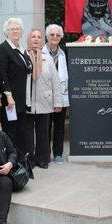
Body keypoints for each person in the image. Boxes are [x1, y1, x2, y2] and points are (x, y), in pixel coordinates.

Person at [0, 18, 35, 163]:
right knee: (11, 132)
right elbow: (3, 74)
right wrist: (9, 96)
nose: (15, 31)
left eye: (18, 28)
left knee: (21, 132)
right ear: (6, 32)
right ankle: (11, 163)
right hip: (11, 101)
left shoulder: (21, 49)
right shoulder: (2, 49)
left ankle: (21, 162)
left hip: (23, 100)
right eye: (12, 29)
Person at [26, 28, 63, 168]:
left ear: (41, 40)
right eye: (33, 36)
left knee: (43, 133)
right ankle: (29, 159)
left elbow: (56, 81)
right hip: (28, 102)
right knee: (28, 134)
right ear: (29, 39)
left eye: (38, 37)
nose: (36, 39)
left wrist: (58, 101)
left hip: (44, 100)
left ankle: (42, 159)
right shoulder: (23, 56)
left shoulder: (47, 59)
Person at [43, 24, 69, 164]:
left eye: (57, 35)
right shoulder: (40, 53)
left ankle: (58, 154)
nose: (54, 37)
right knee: (45, 127)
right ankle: (45, 155)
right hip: (45, 96)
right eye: (52, 34)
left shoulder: (64, 53)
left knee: (59, 126)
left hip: (61, 95)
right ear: (47, 36)